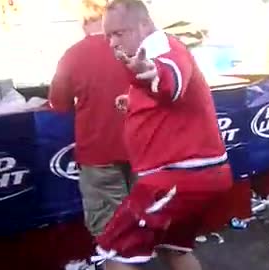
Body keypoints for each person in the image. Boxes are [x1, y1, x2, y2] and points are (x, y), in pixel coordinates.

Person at [94, 1, 233, 270]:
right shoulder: (153, 58)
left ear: (144, 25)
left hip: (176, 178)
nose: (111, 43)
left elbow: (170, 78)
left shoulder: (164, 49)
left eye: (118, 33)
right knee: (175, 250)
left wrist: (155, 76)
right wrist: (134, 99)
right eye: (107, 36)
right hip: (195, 177)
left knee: (117, 253)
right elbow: (163, 93)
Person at [49, 0, 133, 239]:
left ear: (85, 22)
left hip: (99, 155)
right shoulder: (133, 47)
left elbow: (59, 103)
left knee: (112, 231)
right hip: (142, 149)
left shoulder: (73, 55)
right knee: (144, 220)